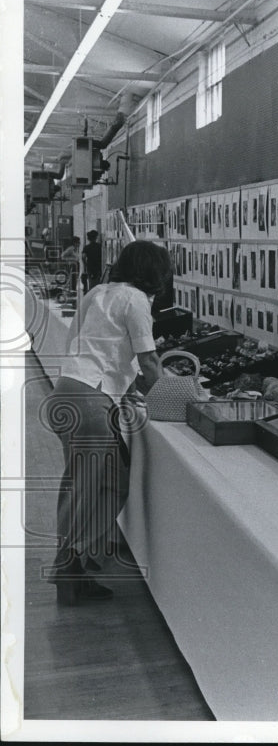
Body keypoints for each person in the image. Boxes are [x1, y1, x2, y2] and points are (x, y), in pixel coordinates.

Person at [42, 240, 171, 605]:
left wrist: (122, 386)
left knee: (110, 481)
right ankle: (69, 571)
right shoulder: (136, 301)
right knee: (84, 492)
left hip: (67, 391)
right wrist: (168, 397)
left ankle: (82, 559)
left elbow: (90, 345)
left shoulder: (98, 292)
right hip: (90, 402)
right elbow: (148, 362)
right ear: (153, 272)